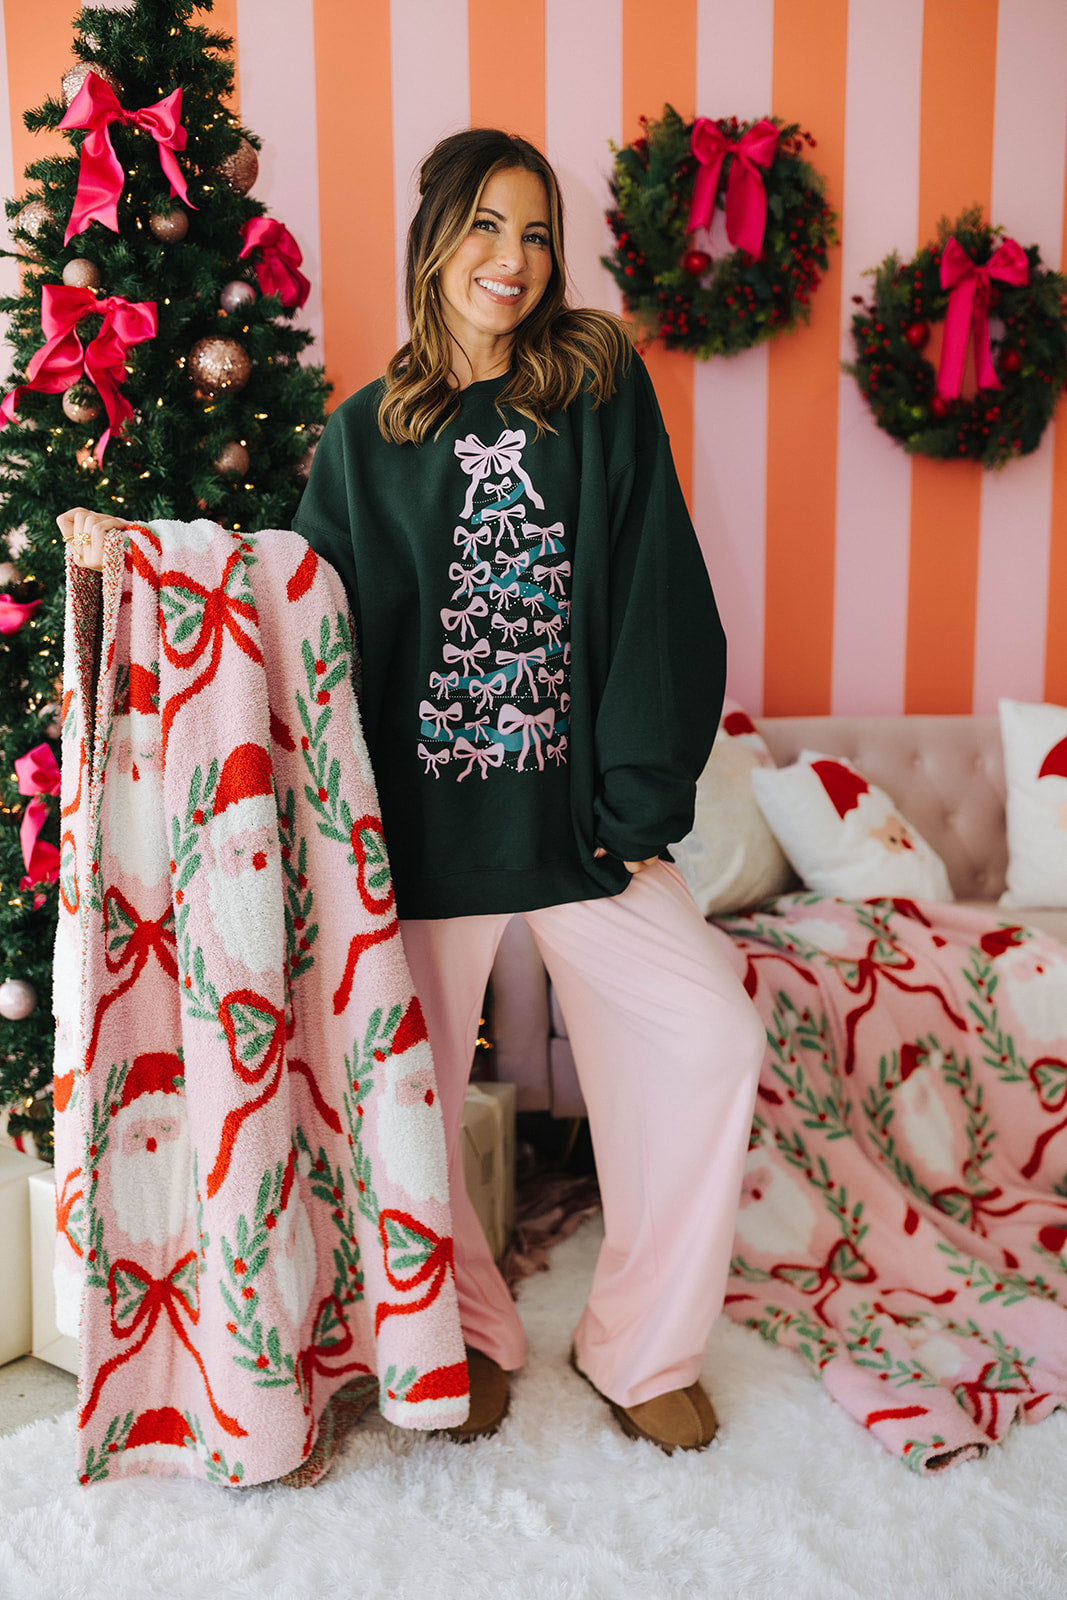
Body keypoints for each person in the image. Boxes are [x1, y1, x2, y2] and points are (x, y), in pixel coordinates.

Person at [59, 127, 766, 1455]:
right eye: (489, 227)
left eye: (537, 232)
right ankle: (467, 1331)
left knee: (709, 1036)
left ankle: (641, 1341)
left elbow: (661, 588)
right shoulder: (361, 439)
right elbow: (304, 622)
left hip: (581, 830)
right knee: (407, 1102)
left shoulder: (596, 384)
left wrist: (636, 800)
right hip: (424, 844)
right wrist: (159, 568)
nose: (515, 258)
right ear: (436, 242)